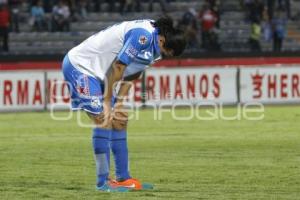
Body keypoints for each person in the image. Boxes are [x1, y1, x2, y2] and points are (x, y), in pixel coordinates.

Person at [62, 16, 186, 192]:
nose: (164, 55)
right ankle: (102, 182)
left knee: (119, 120)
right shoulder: (142, 35)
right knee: (103, 120)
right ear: (162, 40)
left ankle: (123, 179)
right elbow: (119, 66)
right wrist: (107, 101)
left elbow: (133, 73)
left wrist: (119, 103)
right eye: (167, 51)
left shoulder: (156, 43)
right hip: (81, 66)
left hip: (103, 73)